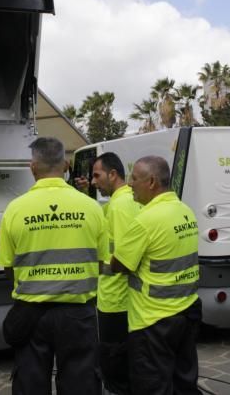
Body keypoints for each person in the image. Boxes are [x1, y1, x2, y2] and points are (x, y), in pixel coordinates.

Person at [0, 137, 106, 395]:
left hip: (31, 315)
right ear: (66, 165)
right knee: (82, 385)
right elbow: (100, 263)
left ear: (32, 167)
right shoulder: (92, 208)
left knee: (30, 385)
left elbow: (7, 267)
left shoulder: (15, 210)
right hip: (79, 315)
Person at [111, 156, 201, 395]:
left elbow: (119, 265)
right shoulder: (185, 211)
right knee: (184, 383)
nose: (129, 184)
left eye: (134, 178)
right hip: (186, 312)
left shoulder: (145, 221)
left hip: (152, 321)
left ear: (151, 182)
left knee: (152, 387)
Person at [90, 152, 141, 394]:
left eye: (96, 175)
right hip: (128, 300)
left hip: (114, 301)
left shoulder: (119, 207)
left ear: (113, 174)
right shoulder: (130, 200)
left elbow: (122, 258)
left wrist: (95, 266)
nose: (93, 181)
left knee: (114, 370)